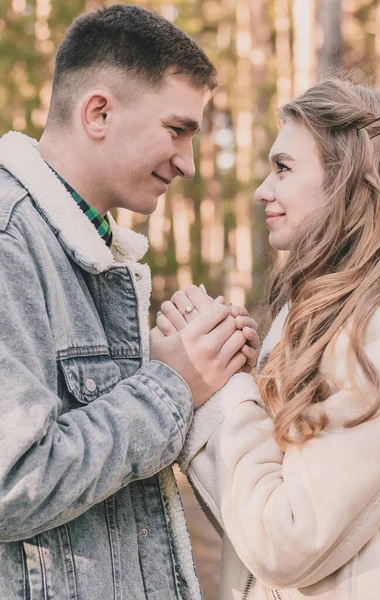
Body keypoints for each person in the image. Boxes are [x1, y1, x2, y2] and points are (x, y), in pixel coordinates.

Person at [0, 4, 258, 599]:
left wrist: (204, 365)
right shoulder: (10, 243)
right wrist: (170, 383)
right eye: (177, 130)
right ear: (98, 112)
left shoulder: (90, 251)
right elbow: (12, 481)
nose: (190, 163)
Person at [157, 78, 380, 599]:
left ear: (348, 182)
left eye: (283, 168)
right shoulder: (317, 315)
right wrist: (225, 377)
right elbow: (253, 525)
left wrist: (223, 392)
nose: (263, 190)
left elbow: (283, 543)